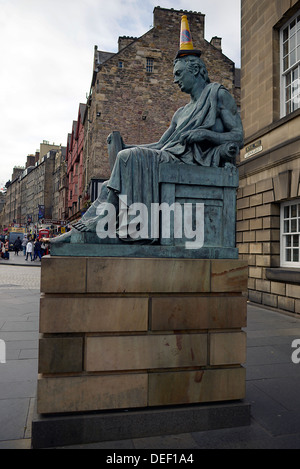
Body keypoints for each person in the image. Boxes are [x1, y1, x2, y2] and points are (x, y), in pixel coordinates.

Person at [51, 18, 243, 245]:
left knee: (127, 160)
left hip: (194, 160)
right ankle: (99, 224)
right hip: (171, 156)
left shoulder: (217, 94)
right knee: (121, 164)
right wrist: (127, 149)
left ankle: (102, 225)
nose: (174, 80)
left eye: (178, 74)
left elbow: (238, 137)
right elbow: (159, 145)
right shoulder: (180, 112)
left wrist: (207, 135)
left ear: (195, 70)